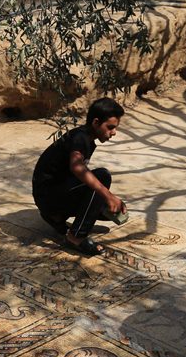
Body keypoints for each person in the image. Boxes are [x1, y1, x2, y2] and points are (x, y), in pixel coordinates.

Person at [32, 97, 127, 256]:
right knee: (102, 177)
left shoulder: (87, 139)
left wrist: (107, 199)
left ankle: (57, 217)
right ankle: (75, 237)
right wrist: (108, 196)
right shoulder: (80, 138)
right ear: (96, 123)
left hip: (52, 195)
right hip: (48, 197)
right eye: (110, 127)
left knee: (104, 205)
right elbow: (77, 168)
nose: (114, 132)